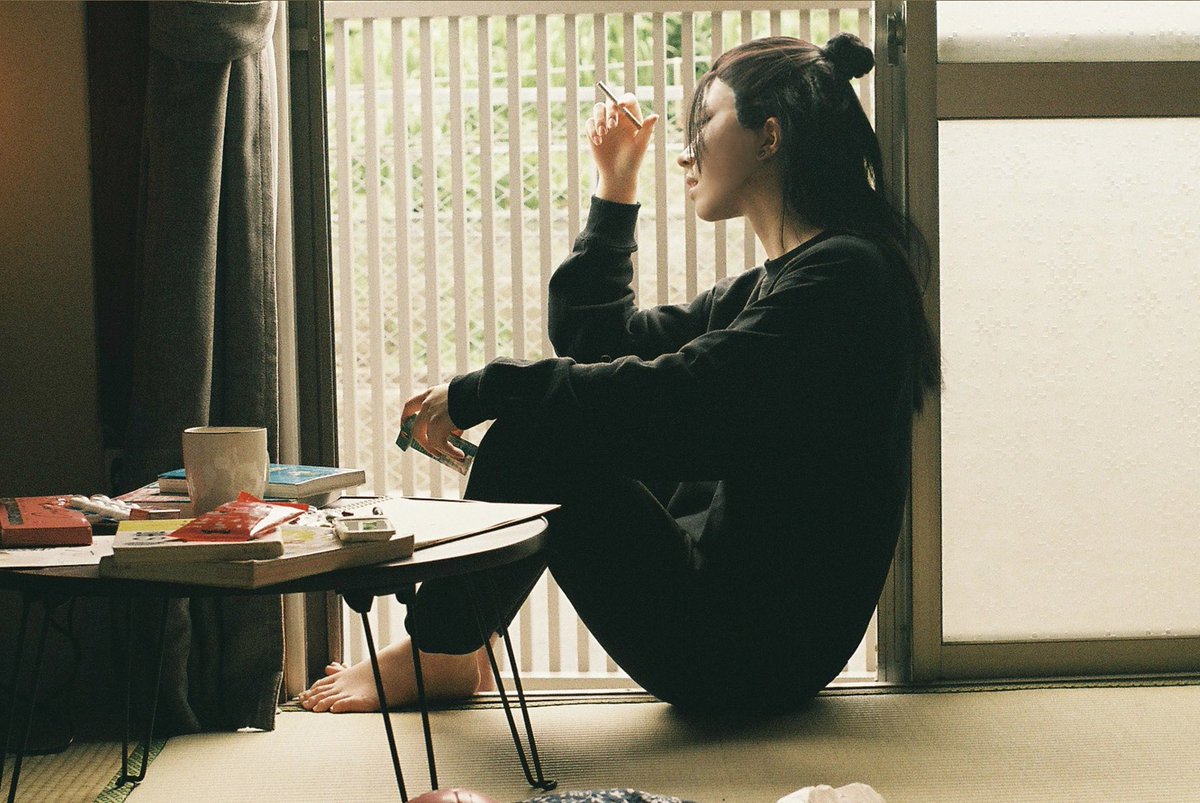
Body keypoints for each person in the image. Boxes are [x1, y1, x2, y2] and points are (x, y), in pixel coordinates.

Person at [300, 33, 938, 717]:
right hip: (741, 633)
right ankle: (453, 647)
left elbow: (676, 401)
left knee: (540, 431)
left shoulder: (846, 279)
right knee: (557, 416)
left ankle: (443, 651)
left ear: (770, 137)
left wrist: (484, 389)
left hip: (750, 652)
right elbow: (601, 346)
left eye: (705, 121)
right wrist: (616, 183)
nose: (686, 152)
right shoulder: (778, 286)